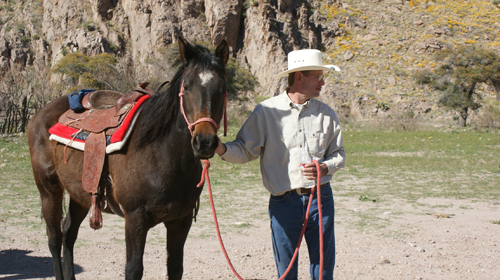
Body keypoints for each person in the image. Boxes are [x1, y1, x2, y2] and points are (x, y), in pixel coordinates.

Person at [215, 49, 345, 280]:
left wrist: (324, 168)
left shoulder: (327, 114)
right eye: (317, 76)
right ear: (299, 77)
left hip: (321, 200)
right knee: (285, 273)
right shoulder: (266, 112)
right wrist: (220, 148)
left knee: (324, 271)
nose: (322, 82)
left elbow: (338, 154)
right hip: (284, 203)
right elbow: (245, 149)